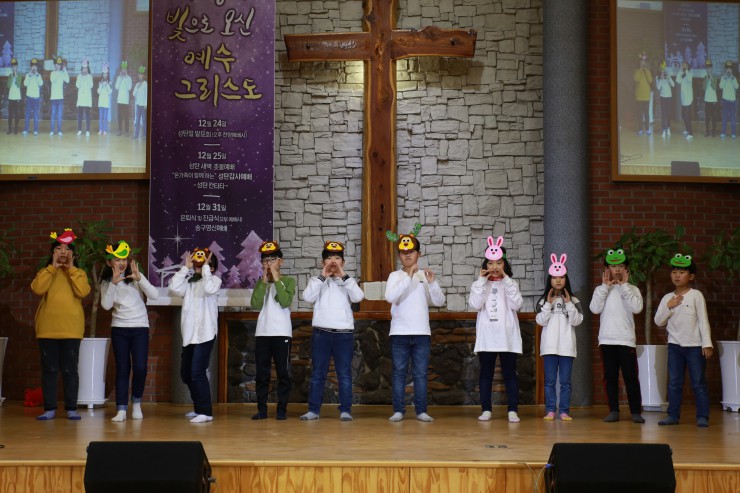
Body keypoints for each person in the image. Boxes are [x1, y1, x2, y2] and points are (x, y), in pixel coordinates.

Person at [385, 228, 445, 422]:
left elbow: (439, 301)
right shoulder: (395, 276)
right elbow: (390, 297)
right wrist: (409, 276)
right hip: (399, 333)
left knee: (420, 374)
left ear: (418, 253)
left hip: (421, 333)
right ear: (399, 256)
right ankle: (398, 410)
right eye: (403, 252)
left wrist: (432, 283)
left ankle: (421, 411)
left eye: (411, 252)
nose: (407, 255)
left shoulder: (425, 276)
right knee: (399, 373)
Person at [30, 229, 91, 420]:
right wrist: (52, 268)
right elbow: (37, 289)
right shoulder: (46, 272)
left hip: (71, 330)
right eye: (58, 248)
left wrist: (71, 269)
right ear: (52, 253)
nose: (63, 252)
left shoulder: (79, 273)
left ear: (73, 254)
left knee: (70, 370)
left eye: (67, 249)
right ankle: (49, 409)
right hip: (47, 329)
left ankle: (71, 408)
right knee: (49, 370)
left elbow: (82, 292)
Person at [300, 241, 364, 421]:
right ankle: (313, 410)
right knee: (318, 373)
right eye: (329, 258)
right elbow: (307, 297)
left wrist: (343, 276)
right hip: (321, 332)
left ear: (343, 262)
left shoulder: (348, 281)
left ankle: (345, 410)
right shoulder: (316, 280)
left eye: (337, 258)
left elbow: (358, 297)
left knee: (344, 374)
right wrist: (323, 276)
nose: (333, 262)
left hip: (343, 334)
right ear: (323, 262)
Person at [100, 240, 159, 422]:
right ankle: (121, 409)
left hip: (140, 327)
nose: (122, 263)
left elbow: (155, 295)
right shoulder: (107, 282)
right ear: (109, 262)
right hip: (119, 329)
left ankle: (137, 402)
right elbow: (106, 305)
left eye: (124, 259)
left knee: (140, 368)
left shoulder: (135, 276)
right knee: (123, 368)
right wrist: (114, 283)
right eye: (117, 259)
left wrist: (140, 278)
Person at [654, 254, 713, 428]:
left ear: (691, 276)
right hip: (675, 347)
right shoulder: (667, 298)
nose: (677, 276)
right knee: (674, 383)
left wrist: (707, 344)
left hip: (695, 347)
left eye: (681, 272)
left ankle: (702, 416)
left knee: (698, 383)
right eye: (674, 272)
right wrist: (669, 306)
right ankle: (673, 415)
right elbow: (658, 321)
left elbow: (703, 320)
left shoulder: (696, 295)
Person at [469, 236, 523, 423]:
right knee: (486, 372)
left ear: (505, 264)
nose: (494, 266)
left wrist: (506, 280)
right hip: (487, 336)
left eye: (499, 262)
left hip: (507, 336)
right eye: (491, 263)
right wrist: (481, 281)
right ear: (485, 264)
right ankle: (486, 409)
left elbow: (516, 304)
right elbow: (475, 304)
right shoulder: (479, 284)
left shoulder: (511, 284)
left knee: (510, 373)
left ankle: (513, 410)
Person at [589, 248, 645, 424]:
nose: (617, 269)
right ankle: (613, 410)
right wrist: (605, 287)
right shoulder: (600, 289)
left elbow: (637, 308)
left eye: (621, 266)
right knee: (610, 378)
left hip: (626, 340)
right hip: (607, 340)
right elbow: (594, 309)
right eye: (614, 266)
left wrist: (624, 287)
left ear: (626, 268)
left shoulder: (633, 289)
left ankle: (635, 411)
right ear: (607, 269)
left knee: (631, 378)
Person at [168, 248, 222, 423]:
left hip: (205, 333)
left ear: (211, 268)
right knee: (186, 373)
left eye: (204, 263)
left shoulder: (214, 281)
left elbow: (209, 288)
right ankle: (199, 407)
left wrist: (205, 267)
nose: (199, 265)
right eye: (198, 263)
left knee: (197, 371)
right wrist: (186, 268)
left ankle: (206, 412)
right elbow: (173, 287)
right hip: (190, 334)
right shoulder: (189, 283)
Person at [250, 241, 296, 420]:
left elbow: (285, 301)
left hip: (282, 333)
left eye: (272, 259)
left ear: (280, 261)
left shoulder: (288, 281)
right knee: (262, 374)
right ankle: (261, 410)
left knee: (283, 373)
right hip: (262, 333)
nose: (268, 263)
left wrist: (276, 279)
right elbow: (255, 305)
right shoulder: (260, 282)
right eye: (265, 260)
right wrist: (263, 282)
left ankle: (281, 410)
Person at [535, 253, 583, 421]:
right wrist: (548, 304)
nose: (558, 280)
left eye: (561, 277)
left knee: (565, 382)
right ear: (550, 279)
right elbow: (540, 321)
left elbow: (577, 321)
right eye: (555, 277)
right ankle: (550, 410)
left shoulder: (574, 299)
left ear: (566, 279)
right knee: (549, 381)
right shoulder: (543, 300)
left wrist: (568, 303)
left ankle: (564, 411)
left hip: (567, 347)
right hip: (549, 347)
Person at [633, 54, 653, 135]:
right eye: (641, 62)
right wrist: (641, 69)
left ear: (646, 63)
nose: (643, 63)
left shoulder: (648, 71)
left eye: (644, 62)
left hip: (646, 96)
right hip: (639, 96)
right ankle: (640, 129)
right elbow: (636, 79)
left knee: (646, 114)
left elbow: (650, 80)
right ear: (640, 63)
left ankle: (648, 129)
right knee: (640, 114)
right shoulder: (637, 70)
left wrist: (645, 70)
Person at [49, 57, 69, 136]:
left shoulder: (62, 73)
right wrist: (57, 71)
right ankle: (52, 130)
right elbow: (52, 79)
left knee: (59, 116)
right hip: (53, 98)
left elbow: (67, 80)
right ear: (55, 65)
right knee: (53, 115)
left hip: (60, 98)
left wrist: (65, 70)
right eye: (57, 64)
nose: (58, 66)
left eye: (60, 65)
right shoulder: (52, 73)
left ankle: (59, 130)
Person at [22, 58, 43, 136]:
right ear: (30, 67)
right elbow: (25, 84)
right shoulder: (28, 75)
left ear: (37, 67)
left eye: (35, 66)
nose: (34, 68)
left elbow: (41, 84)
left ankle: (35, 130)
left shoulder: (39, 75)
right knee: (27, 114)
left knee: (35, 115)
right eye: (32, 66)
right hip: (29, 98)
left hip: (36, 99)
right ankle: (26, 130)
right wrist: (30, 75)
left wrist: (37, 76)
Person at [719, 60, 738, 139]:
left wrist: (732, 78)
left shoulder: (734, 78)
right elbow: (721, 86)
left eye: (730, 68)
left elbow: (737, 87)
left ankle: (733, 133)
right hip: (725, 101)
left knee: (733, 118)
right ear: (726, 69)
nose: (728, 70)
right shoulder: (723, 77)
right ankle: (723, 133)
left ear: (732, 70)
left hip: (733, 101)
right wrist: (725, 78)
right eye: (727, 68)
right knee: (724, 118)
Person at [655, 61, 674, 137]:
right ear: (660, 69)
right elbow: (658, 88)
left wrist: (669, 78)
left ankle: (668, 128)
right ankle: (663, 130)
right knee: (663, 114)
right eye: (662, 69)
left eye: (664, 69)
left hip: (669, 97)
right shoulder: (658, 77)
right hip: (662, 97)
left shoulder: (668, 75)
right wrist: (661, 79)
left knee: (669, 113)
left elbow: (673, 85)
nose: (663, 70)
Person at [75, 59, 94, 136]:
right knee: (80, 115)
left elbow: (91, 86)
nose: (84, 70)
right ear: (82, 69)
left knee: (87, 115)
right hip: (81, 99)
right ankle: (79, 130)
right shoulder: (79, 76)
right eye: (83, 68)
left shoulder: (90, 76)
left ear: (87, 69)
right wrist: (81, 77)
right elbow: (77, 85)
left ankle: (88, 130)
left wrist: (86, 77)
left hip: (87, 99)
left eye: (86, 68)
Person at [676, 61, 694, 139]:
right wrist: (680, 71)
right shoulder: (682, 74)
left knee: (687, 117)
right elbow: (677, 81)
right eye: (683, 65)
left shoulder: (690, 73)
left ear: (687, 66)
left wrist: (686, 70)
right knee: (683, 115)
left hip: (688, 99)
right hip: (683, 99)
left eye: (685, 65)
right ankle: (687, 130)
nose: (684, 66)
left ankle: (691, 133)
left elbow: (689, 79)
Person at [114, 61, 132, 136]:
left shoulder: (129, 78)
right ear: (121, 69)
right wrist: (121, 78)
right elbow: (116, 87)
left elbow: (129, 88)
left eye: (125, 69)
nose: (123, 70)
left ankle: (127, 131)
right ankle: (119, 130)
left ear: (126, 69)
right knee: (120, 116)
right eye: (122, 69)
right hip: (120, 100)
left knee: (126, 116)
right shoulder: (119, 77)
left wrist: (125, 77)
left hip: (126, 100)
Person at [704, 59, 719, 137]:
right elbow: (704, 87)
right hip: (707, 100)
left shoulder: (715, 77)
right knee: (707, 117)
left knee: (714, 117)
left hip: (713, 100)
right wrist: (707, 78)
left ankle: (713, 132)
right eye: (707, 68)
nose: (708, 69)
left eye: (709, 68)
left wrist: (711, 78)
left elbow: (714, 87)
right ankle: (707, 132)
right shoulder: (705, 77)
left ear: (711, 68)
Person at [6, 58, 22, 135]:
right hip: (11, 97)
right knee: (10, 114)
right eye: (12, 67)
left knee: (17, 114)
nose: (13, 68)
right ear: (11, 68)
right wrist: (12, 77)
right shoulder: (10, 76)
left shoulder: (19, 75)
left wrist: (16, 76)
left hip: (17, 97)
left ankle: (16, 129)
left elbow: (18, 85)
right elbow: (8, 86)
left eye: (15, 66)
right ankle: (10, 129)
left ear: (17, 67)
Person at [132, 66, 148, 140]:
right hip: (138, 105)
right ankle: (136, 134)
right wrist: (137, 88)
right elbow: (133, 94)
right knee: (137, 120)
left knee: (144, 121)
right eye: (139, 74)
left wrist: (146, 104)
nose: (140, 76)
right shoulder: (137, 84)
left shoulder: (145, 84)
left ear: (143, 76)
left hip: (143, 105)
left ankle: (144, 135)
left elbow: (146, 94)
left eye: (141, 75)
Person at [97, 64, 113, 135]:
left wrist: (106, 86)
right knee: (101, 117)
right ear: (102, 74)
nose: (105, 75)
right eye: (104, 74)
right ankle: (101, 129)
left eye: (106, 74)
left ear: (107, 74)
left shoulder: (109, 83)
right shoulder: (100, 82)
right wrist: (101, 85)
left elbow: (110, 92)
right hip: (101, 103)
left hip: (106, 103)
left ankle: (105, 130)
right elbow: (98, 92)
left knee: (105, 117)